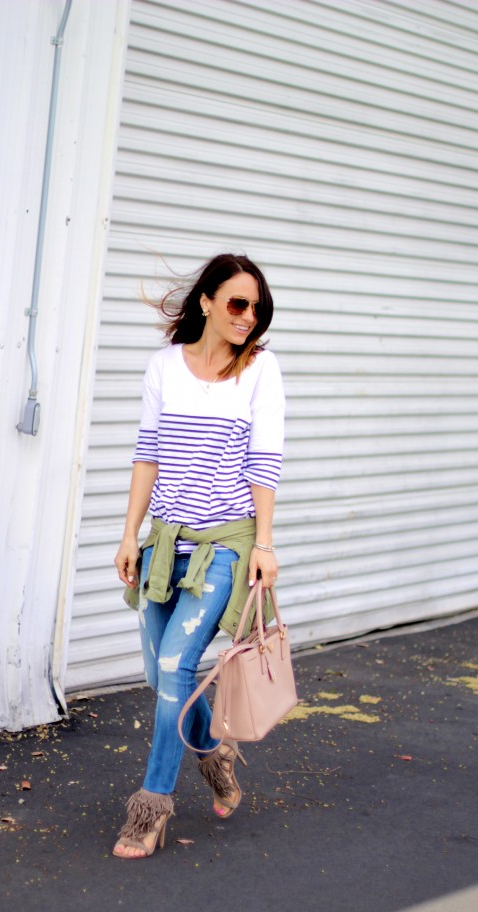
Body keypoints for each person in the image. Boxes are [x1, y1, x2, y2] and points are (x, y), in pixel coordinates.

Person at [112, 253, 285, 859]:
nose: (248, 317)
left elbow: (265, 463)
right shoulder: (165, 367)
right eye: (237, 303)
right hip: (164, 544)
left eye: (256, 308)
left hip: (226, 548)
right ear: (207, 302)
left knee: (175, 669)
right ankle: (215, 757)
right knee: (160, 673)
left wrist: (263, 544)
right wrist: (130, 534)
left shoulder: (260, 372)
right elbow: (147, 455)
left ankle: (150, 809)